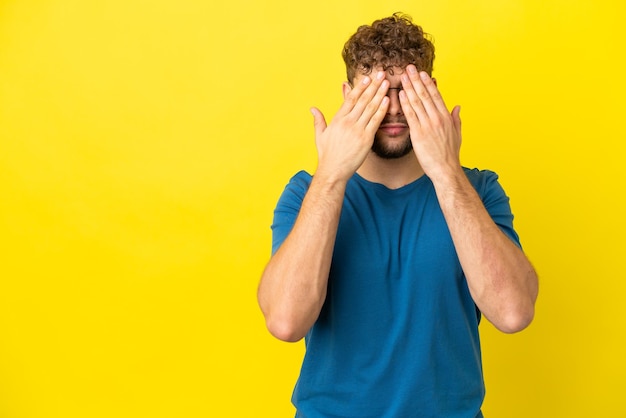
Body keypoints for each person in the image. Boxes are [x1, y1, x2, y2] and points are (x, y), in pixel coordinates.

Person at [257, 12, 538, 418]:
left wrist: (445, 171)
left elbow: (513, 313)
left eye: (405, 91)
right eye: (374, 93)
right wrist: (332, 176)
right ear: (348, 95)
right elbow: (285, 322)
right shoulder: (306, 193)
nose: (391, 109)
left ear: (431, 91)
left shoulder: (478, 190)